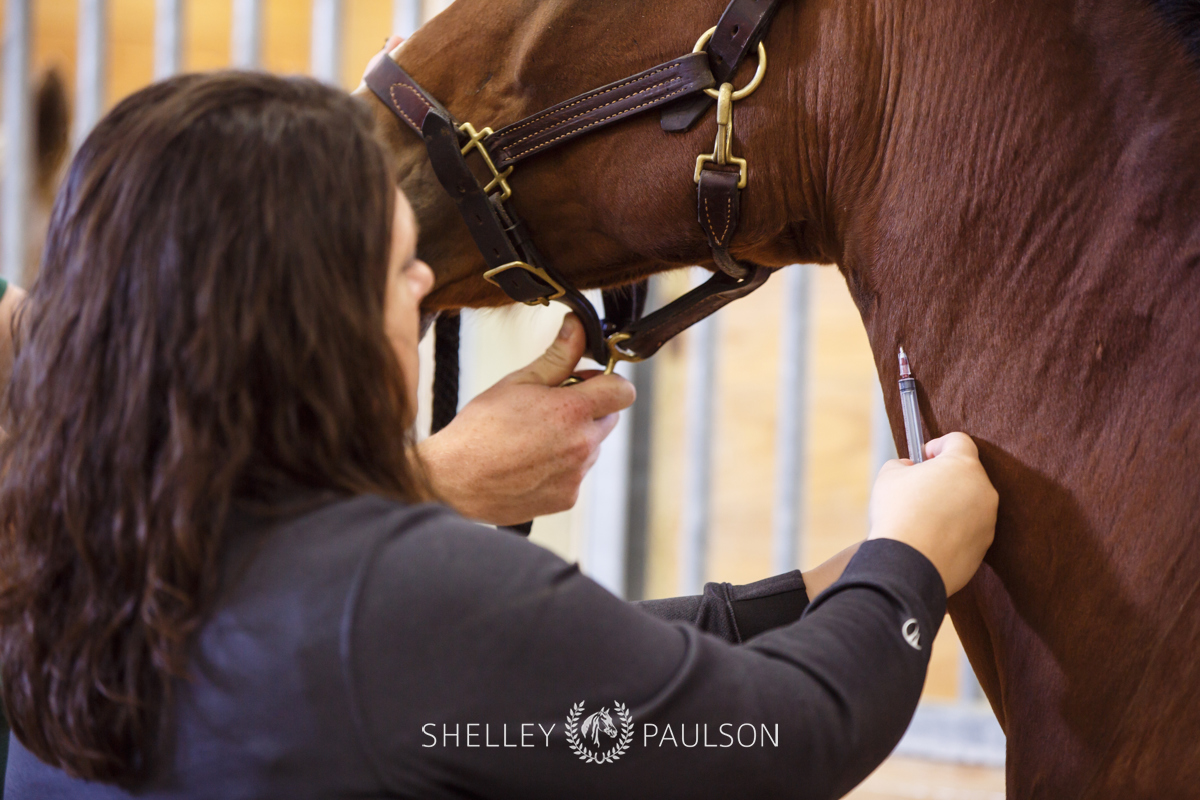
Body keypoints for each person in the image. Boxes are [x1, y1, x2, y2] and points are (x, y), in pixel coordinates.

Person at [0, 71, 997, 799]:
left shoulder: (70, 560)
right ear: (308, 322)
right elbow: (786, 738)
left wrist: (826, 593)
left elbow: (542, 669)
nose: (427, 286)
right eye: (399, 271)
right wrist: (910, 563)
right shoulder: (393, 600)